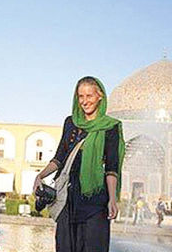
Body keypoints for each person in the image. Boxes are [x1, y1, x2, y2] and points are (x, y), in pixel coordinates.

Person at [33, 76, 125, 252]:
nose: (84, 101)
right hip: (68, 197)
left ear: (100, 97)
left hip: (95, 199)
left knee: (93, 246)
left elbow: (111, 168)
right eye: (80, 96)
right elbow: (59, 158)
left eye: (89, 96)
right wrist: (40, 175)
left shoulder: (110, 127)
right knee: (65, 246)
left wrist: (112, 198)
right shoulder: (71, 122)